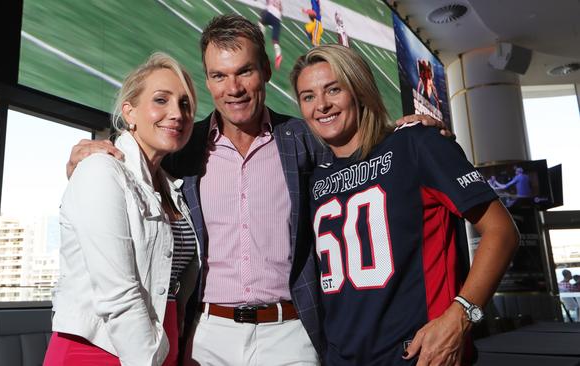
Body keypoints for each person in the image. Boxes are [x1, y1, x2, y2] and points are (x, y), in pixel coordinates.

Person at [66, 15, 449, 365]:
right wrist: (82, 156)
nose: (232, 88)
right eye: (218, 76)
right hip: (208, 334)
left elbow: (358, 145)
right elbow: (132, 174)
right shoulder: (185, 145)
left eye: (244, 72)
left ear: (265, 70)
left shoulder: (303, 138)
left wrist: (402, 129)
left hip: (290, 332)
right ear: (208, 79)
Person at [290, 44, 519, 365]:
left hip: (420, 355)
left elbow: (502, 232)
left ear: (359, 89)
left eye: (333, 89)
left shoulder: (416, 143)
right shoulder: (315, 181)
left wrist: (461, 317)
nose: (322, 105)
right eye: (308, 96)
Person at [45, 53, 200, 366]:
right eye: (161, 100)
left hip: (158, 344)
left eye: (185, 105)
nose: (177, 114)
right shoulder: (101, 170)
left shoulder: (173, 189)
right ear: (130, 112)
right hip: (100, 350)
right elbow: (118, 295)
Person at [258, 0, 284, 69]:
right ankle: (278, 55)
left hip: (270, 14)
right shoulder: (279, 2)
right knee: (275, 40)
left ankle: (261, 42)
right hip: (278, 19)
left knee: (261, 23)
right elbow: (281, 11)